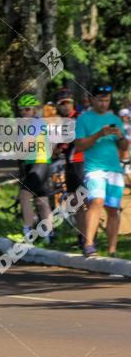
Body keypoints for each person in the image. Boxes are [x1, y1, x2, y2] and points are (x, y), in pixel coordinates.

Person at [73, 84, 129, 257]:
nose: (104, 104)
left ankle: (112, 251)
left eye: (107, 100)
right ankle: (89, 244)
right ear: (92, 99)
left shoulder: (115, 118)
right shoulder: (83, 119)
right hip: (94, 169)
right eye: (100, 100)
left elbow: (124, 146)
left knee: (113, 208)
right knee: (96, 201)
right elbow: (79, 146)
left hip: (114, 169)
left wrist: (119, 135)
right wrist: (99, 134)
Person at [16, 94, 53, 243]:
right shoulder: (26, 126)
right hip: (34, 164)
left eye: (27, 109)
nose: (24, 112)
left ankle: (28, 231)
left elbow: (25, 146)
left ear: (35, 110)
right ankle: (48, 235)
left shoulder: (37, 123)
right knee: (41, 200)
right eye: (22, 110)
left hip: (40, 163)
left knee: (24, 196)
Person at [54, 88, 84, 245]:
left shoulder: (78, 118)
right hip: (70, 165)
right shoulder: (61, 122)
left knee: (84, 202)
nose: (65, 106)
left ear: (73, 103)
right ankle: (82, 238)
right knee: (75, 203)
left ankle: (89, 238)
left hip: (81, 163)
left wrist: (61, 147)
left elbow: (71, 141)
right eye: (62, 104)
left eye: (68, 103)